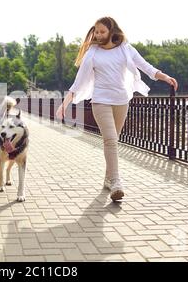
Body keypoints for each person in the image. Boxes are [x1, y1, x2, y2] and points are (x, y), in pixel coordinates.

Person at [56, 16, 178, 202]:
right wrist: (64, 105)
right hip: (100, 101)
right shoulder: (92, 53)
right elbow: (78, 82)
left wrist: (165, 77)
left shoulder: (125, 49)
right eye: (96, 31)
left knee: (114, 141)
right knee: (111, 140)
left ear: (112, 32)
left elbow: (146, 67)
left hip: (121, 101)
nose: (98, 35)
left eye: (102, 32)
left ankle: (107, 178)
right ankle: (116, 182)